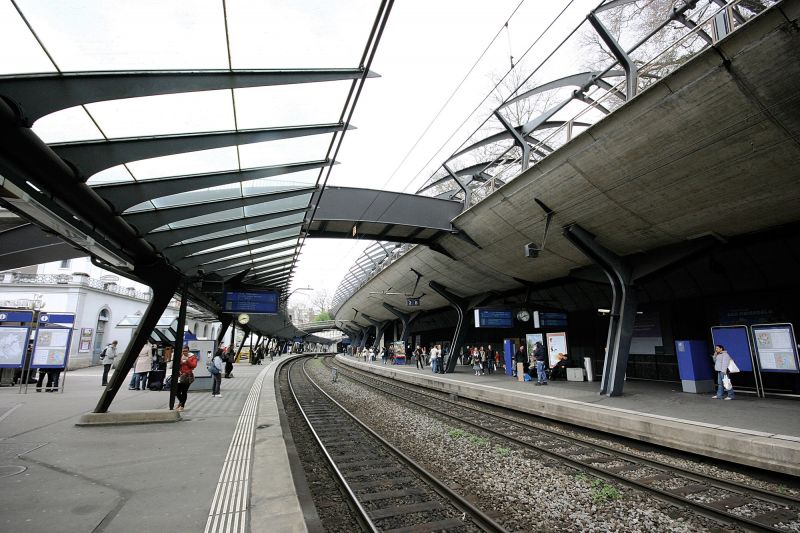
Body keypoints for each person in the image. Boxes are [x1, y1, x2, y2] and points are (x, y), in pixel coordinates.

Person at [175, 345, 197, 412]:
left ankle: (182, 406)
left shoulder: (192, 357)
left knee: (184, 391)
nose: (184, 352)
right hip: (180, 375)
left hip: (188, 376)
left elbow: (194, 365)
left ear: (188, 351)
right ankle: (181, 402)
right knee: (177, 392)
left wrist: (187, 360)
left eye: (186, 351)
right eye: (183, 351)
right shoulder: (180, 356)